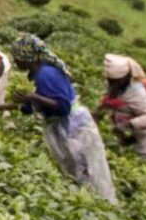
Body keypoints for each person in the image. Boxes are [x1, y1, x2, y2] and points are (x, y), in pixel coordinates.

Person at [11, 35, 117, 204]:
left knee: (86, 168)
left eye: (17, 57)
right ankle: (88, 202)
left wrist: (32, 97)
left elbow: (62, 106)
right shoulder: (39, 73)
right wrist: (26, 103)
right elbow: (41, 100)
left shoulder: (46, 74)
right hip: (65, 126)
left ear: (26, 57)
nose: (15, 61)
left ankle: (101, 204)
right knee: (75, 169)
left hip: (73, 127)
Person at [98, 54, 146, 175]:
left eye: (116, 80)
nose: (113, 83)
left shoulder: (136, 92)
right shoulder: (118, 87)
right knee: (140, 170)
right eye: (111, 80)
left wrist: (125, 125)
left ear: (126, 77)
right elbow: (109, 102)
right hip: (136, 135)